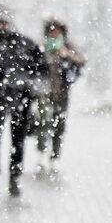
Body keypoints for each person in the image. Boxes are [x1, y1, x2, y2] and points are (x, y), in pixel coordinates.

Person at [0, 17, 48, 197]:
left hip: (13, 98)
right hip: (5, 98)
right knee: (3, 140)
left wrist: (31, 90)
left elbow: (41, 70)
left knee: (9, 140)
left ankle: (5, 177)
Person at [36, 18, 85, 172]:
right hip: (45, 91)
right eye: (52, 31)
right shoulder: (43, 49)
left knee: (59, 124)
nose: (55, 34)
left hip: (62, 91)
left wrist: (67, 54)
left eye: (58, 31)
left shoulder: (68, 47)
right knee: (45, 120)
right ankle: (42, 152)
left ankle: (54, 156)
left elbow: (81, 61)